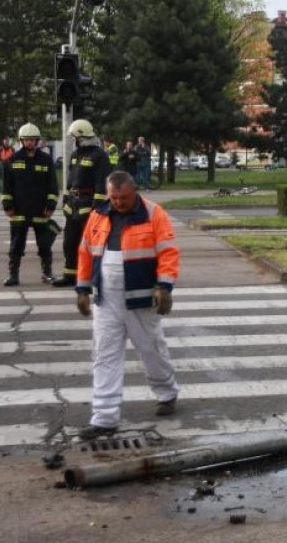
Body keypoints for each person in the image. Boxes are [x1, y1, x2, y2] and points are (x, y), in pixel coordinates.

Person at [74, 170, 180, 439]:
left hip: (140, 297)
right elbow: (85, 252)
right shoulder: (99, 215)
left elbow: (168, 252)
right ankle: (104, 417)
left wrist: (164, 287)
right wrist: (83, 288)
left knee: (151, 349)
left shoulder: (154, 213)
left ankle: (166, 392)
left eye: (123, 197)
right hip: (106, 298)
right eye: (114, 197)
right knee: (105, 355)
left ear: (134, 191)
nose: (118, 203)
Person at [52, 119, 112, 287]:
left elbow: (103, 183)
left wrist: (97, 207)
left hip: (90, 205)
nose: (73, 141)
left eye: (74, 138)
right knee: (69, 243)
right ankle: (70, 276)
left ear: (81, 136)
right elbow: (70, 181)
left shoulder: (100, 155)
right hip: (73, 205)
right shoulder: (75, 155)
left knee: (91, 245)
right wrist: (65, 199)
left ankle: (93, 277)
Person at [0, 123, 59, 286]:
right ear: (21, 141)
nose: (30, 143)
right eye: (26, 140)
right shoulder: (12, 160)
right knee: (16, 245)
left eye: (33, 140)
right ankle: (13, 275)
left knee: (45, 245)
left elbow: (52, 186)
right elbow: (7, 186)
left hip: (41, 210)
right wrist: (7, 205)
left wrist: (51, 205)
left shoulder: (46, 160)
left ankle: (47, 273)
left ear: (37, 140)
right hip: (18, 210)